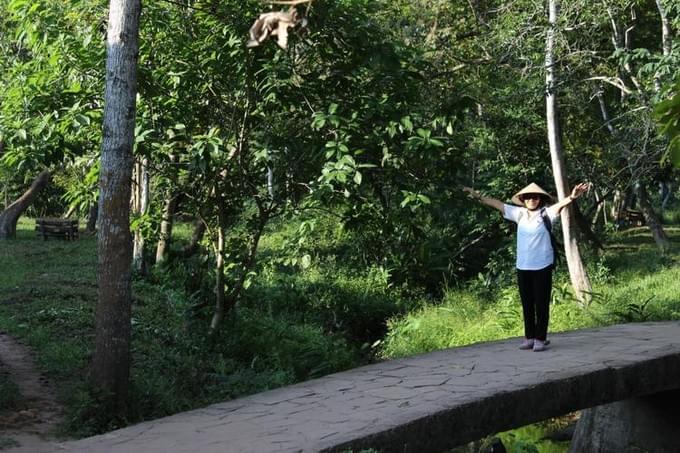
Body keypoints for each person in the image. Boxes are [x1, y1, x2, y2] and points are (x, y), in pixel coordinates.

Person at [463, 182, 590, 352]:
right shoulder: (519, 214)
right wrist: (476, 195)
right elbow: (496, 204)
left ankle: (540, 338)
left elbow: (560, 205)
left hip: (542, 265)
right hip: (523, 266)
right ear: (523, 199)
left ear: (540, 199)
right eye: (528, 197)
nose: (532, 200)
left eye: (535, 197)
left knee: (541, 303)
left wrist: (573, 196)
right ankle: (529, 337)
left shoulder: (546, 213)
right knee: (527, 303)